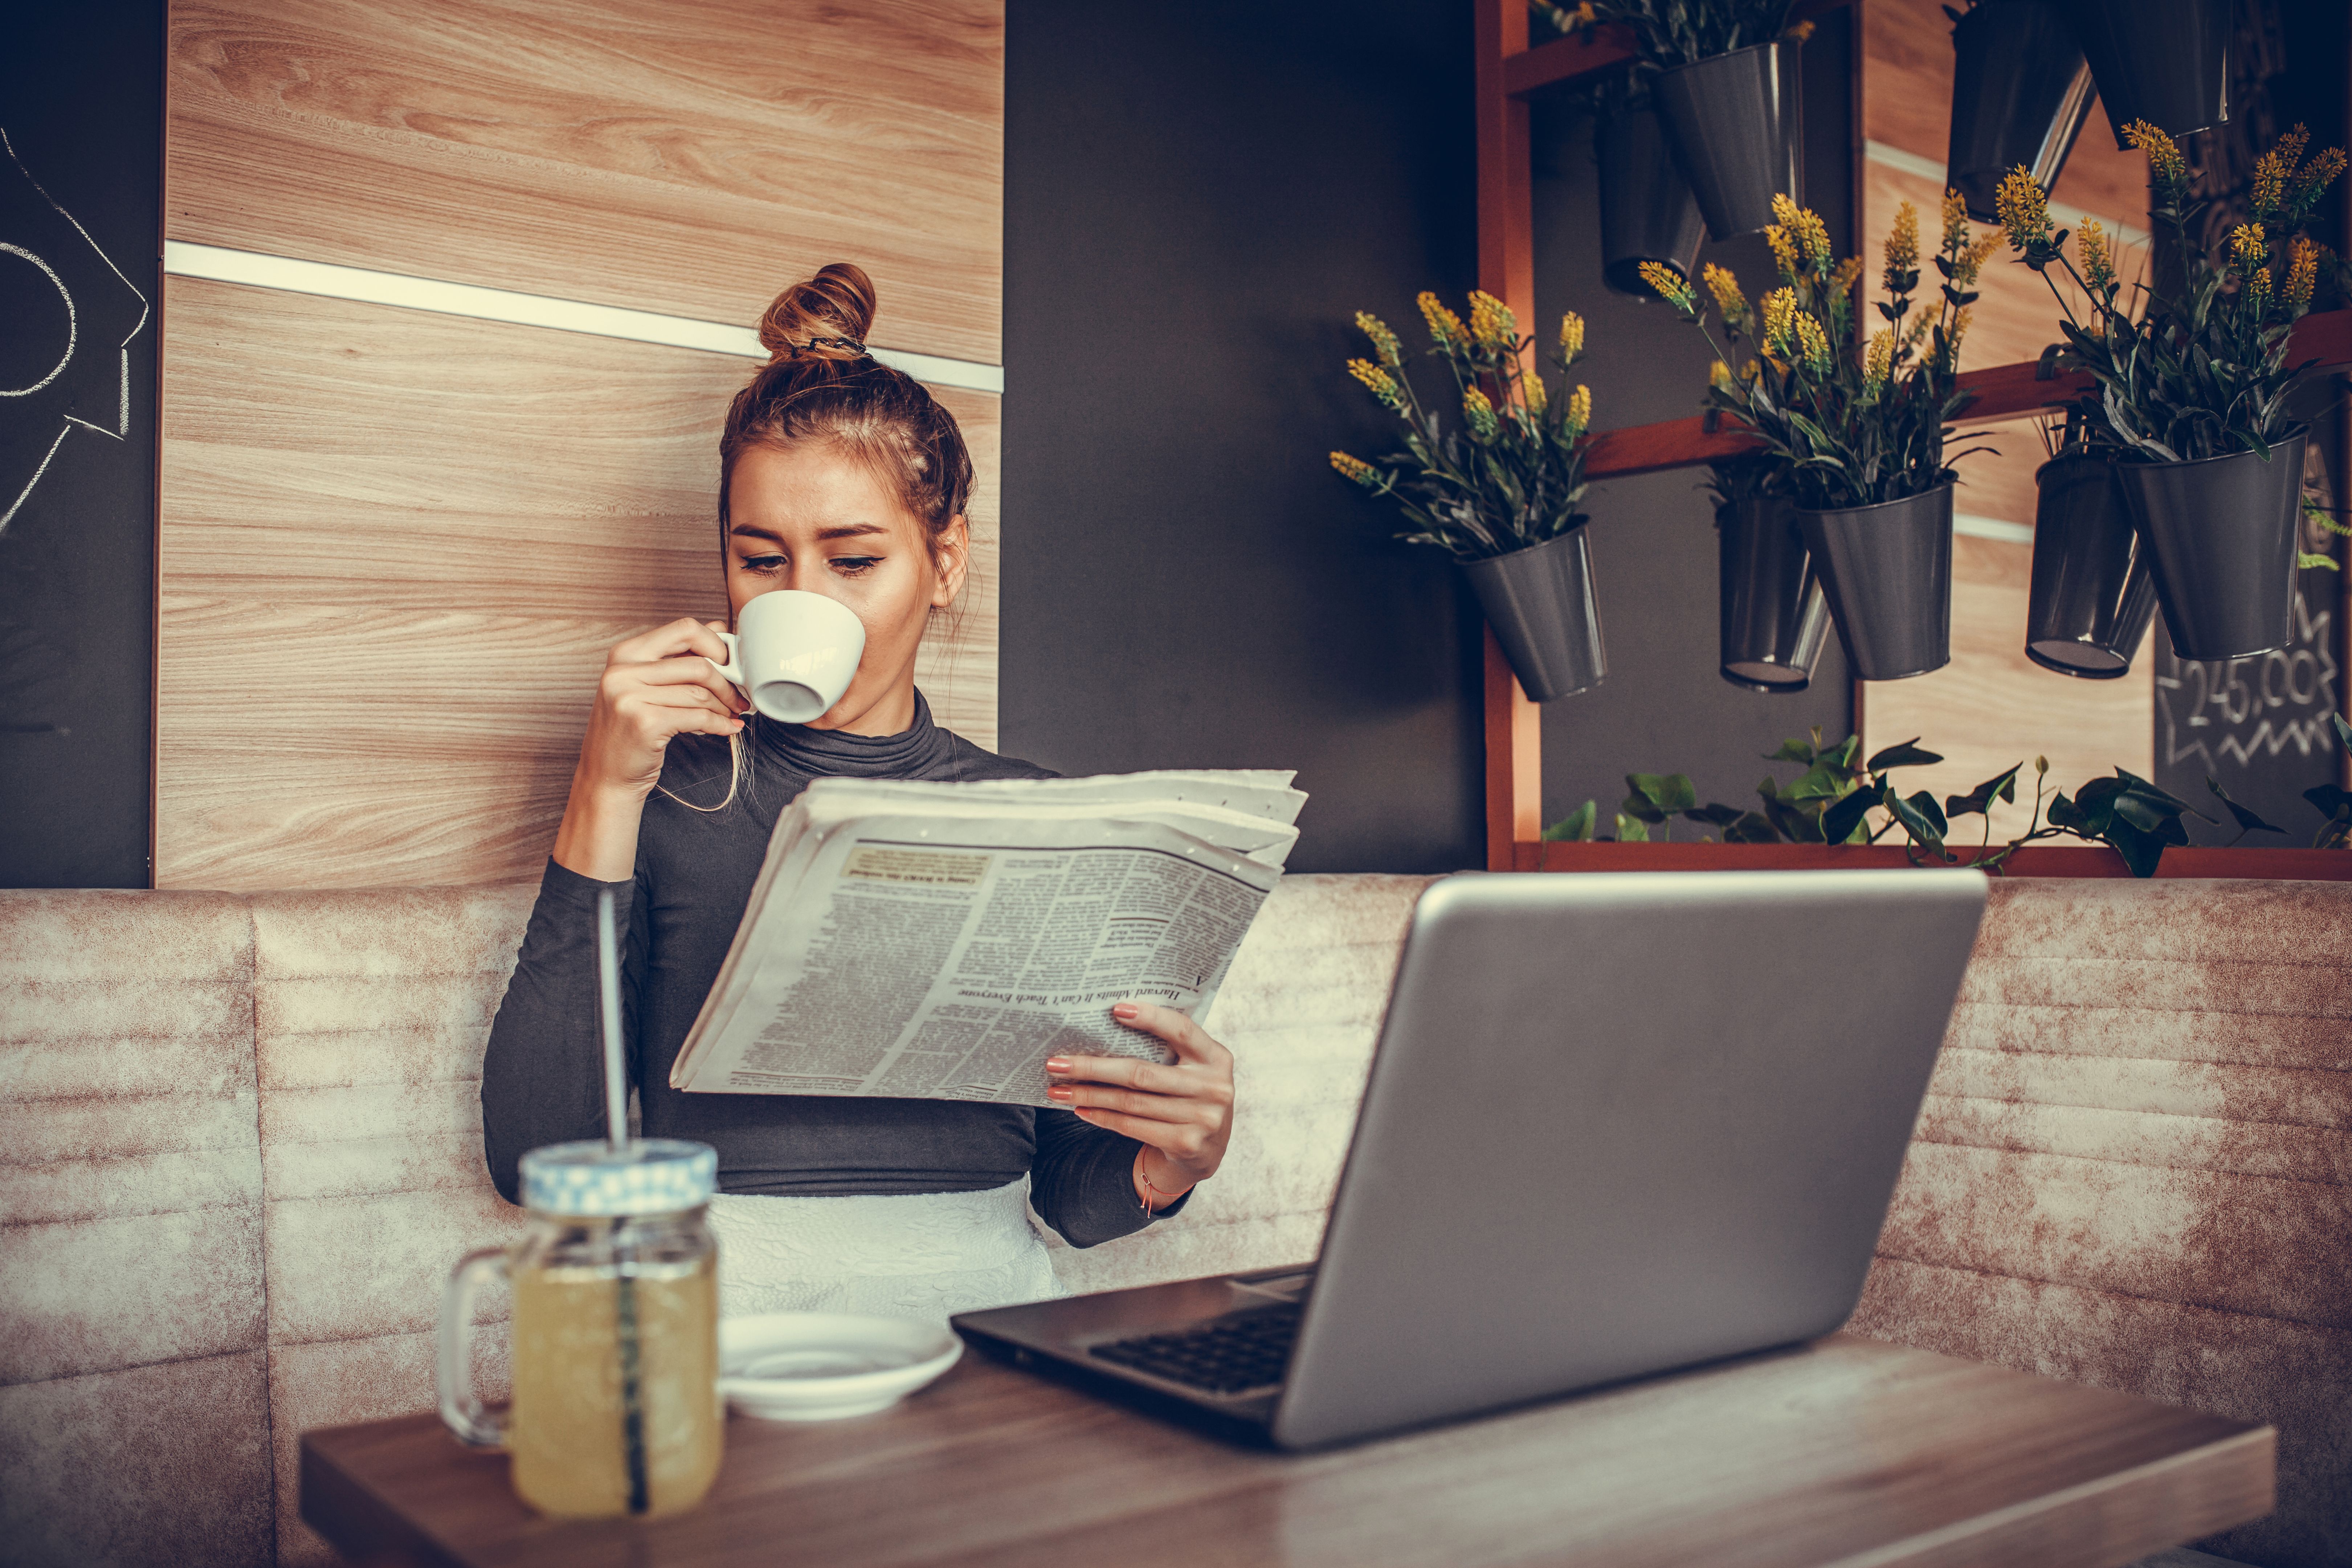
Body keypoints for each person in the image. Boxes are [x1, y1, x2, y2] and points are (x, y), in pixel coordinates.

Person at [481, 263, 1235, 1321]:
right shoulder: (668, 794)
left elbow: (1076, 1202)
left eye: (853, 561)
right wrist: (602, 790)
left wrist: (1170, 1161)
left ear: (945, 562)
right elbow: (536, 1162)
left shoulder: (1041, 819)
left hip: (982, 1321)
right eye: (760, 559)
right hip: (719, 1324)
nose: (800, 601)